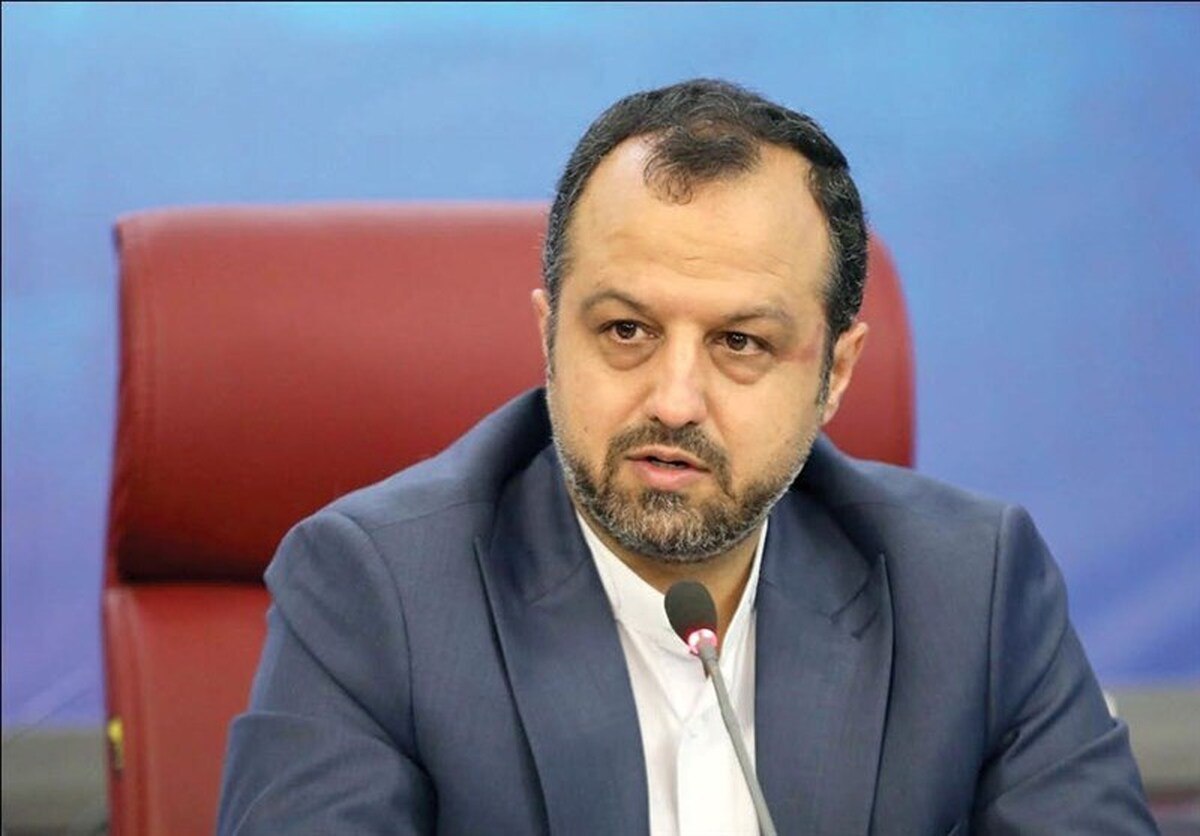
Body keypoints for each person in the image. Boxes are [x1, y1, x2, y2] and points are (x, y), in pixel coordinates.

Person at [217, 79, 1156, 835]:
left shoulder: (973, 588)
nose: (673, 399)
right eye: (625, 330)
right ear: (549, 338)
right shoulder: (378, 592)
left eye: (740, 343)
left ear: (835, 373)